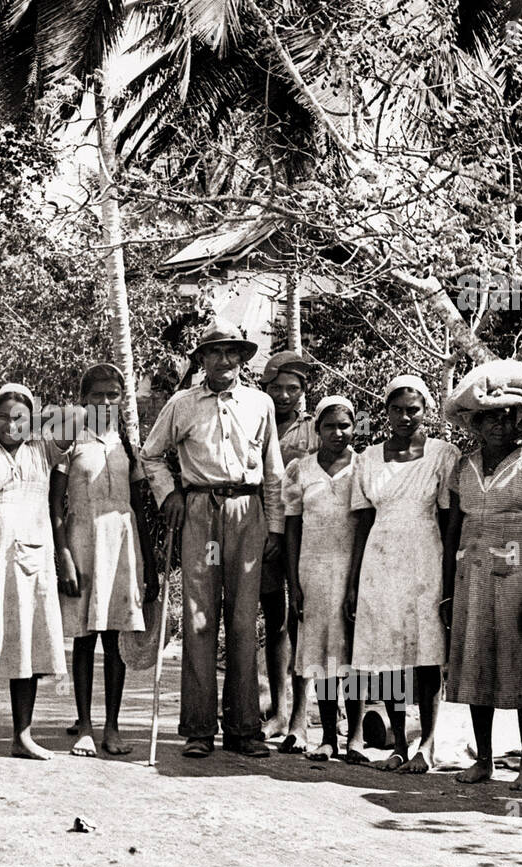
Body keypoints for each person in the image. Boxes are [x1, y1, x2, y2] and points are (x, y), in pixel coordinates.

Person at [141, 319, 284, 759]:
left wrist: (275, 525)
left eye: (232, 352)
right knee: (200, 619)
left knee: (243, 621)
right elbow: (151, 455)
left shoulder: (260, 403)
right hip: (202, 514)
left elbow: (273, 469)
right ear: (201, 359)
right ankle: (199, 729)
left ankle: (243, 730)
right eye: (214, 352)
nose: (224, 360)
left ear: (242, 358)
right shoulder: (183, 404)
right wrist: (170, 497)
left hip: (247, 512)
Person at [0, 385, 85, 765]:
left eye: (19, 416)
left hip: (31, 561)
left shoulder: (43, 450)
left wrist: (32, 421)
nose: (11, 423)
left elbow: (79, 415)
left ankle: (23, 736)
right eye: (4, 416)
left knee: (28, 645)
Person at [441, 362, 522, 791]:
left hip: (519, 576)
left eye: (509, 416)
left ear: (521, 421)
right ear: (476, 422)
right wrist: (447, 592)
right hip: (472, 575)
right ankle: (484, 760)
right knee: (477, 665)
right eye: (490, 416)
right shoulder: (464, 467)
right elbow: (452, 530)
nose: (499, 424)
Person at [345, 375, 458, 773]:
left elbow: (450, 519)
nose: (405, 417)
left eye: (414, 410)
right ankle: (399, 745)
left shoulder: (443, 454)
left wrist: (449, 574)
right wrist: (355, 580)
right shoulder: (368, 457)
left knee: (426, 654)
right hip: (381, 559)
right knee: (388, 655)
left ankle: (427, 744)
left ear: (426, 411)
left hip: (425, 554)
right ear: (386, 411)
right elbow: (362, 521)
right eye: (397, 409)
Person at [50, 362, 157, 758]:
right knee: (84, 637)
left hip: (122, 546)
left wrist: (150, 563)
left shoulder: (127, 444)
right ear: (84, 399)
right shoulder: (70, 439)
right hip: (82, 542)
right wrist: (63, 556)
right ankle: (86, 725)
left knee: (115, 639)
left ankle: (112, 725)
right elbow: (56, 506)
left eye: (113, 394)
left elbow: (141, 510)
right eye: (98, 394)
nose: (106, 401)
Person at [282, 396, 364, 763]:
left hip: (353, 568)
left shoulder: (364, 467)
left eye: (344, 425)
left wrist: (356, 582)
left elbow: (364, 526)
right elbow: (292, 527)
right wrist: (293, 584)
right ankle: (328, 736)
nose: (338, 432)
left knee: (353, 653)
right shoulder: (302, 469)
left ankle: (356, 738)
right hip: (312, 569)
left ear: (355, 427)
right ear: (317, 429)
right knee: (322, 655)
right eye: (329, 426)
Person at [259, 349, 321, 749]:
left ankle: (301, 716)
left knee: (302, 622)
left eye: (293, 389)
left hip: (306, 535)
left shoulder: (316, 428)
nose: (284, 396)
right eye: (278, 388)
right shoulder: (257, 418)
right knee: (274, 620)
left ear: (304, 391)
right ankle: (277, 712)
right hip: (263, 532)